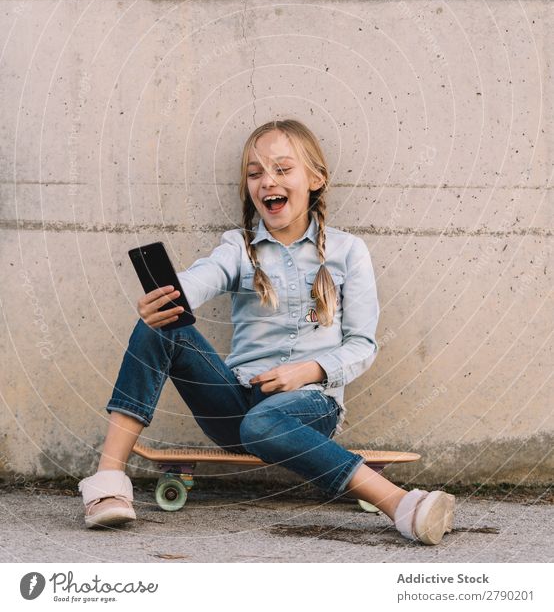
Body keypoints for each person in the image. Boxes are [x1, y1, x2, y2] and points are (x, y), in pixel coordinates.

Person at [78, 118, 455, 545]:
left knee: (263, 423)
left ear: (315, 179)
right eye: (255, 173)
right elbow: (205, 276)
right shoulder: (239, 248)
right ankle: (108, 480)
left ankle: (402, 505)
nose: (267, 181)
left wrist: (306, 371)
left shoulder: (349, 251)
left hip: (310, 406)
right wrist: (171, 293)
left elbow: (362, 345)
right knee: (161, 323)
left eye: (281, 169)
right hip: (234, 406)